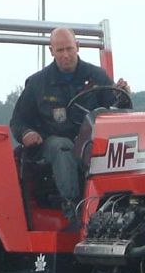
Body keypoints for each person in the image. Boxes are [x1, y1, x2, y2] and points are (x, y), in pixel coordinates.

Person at [9, 27, 131, 221]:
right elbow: (18, 120)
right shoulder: (37, 83)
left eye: (69, 49)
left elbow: (117, 111)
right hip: (52, 144)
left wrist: (122, 97)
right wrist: (26, 133)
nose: (65, 55)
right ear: (51, 51)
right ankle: (74, 206)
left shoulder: (97, 76)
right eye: (60, 50)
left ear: (78, 47)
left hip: (91, 141)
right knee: (63, 146)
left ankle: (122, 203)